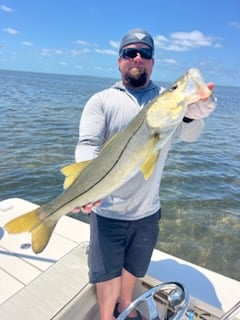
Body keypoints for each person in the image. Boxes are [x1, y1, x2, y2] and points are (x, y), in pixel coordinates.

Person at [74, 28, 216, 320]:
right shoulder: (102, 100)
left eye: (145, 53)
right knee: (107, 273)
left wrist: (192, 111)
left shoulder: (167, 100)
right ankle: (106, 315)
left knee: (134, 269)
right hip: (107, 211)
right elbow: (88, 145)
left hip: (147, 211)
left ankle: (127, 306)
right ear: (119, 60)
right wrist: (86, 188)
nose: (137, 58)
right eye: (130, 52)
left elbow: (189, 135)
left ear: (152, 62)